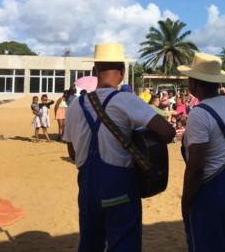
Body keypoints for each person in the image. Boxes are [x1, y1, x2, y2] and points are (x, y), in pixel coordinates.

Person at [63, 43, 175, 252]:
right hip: (120, 191)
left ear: (94, 71)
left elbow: (72, 153)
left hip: (87, 191)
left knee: (90, 243)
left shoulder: (75, 106)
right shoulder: (126, 101)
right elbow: (167, 132)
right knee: (123, 244)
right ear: (122, 73)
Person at [178, 53, 225, 252]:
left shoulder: (199, 113)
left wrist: (187, 199)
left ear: (194, 83)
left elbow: (197, 165)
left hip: (209, 189)